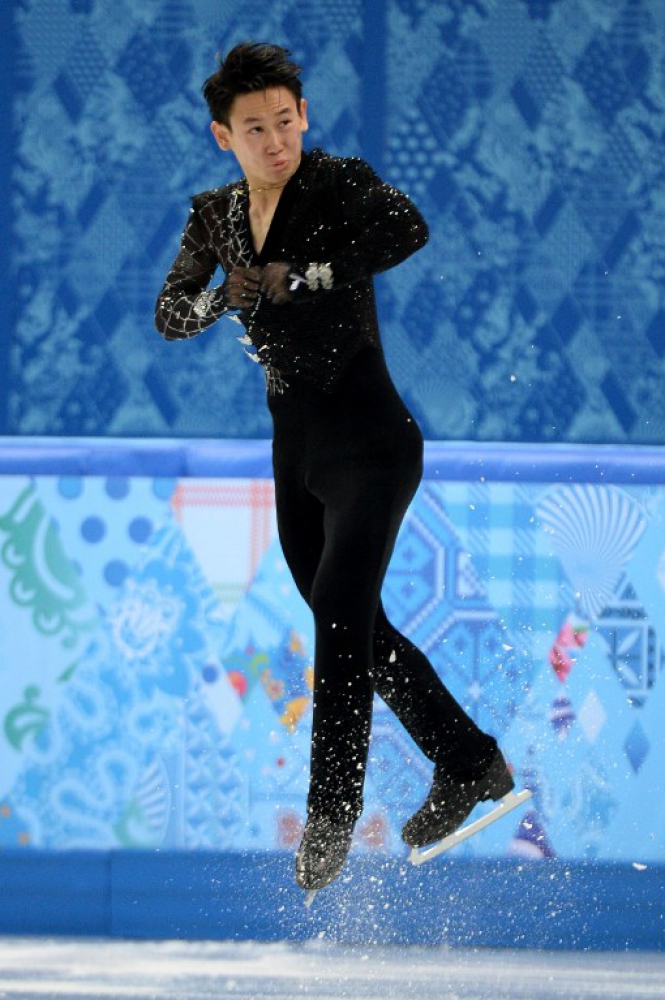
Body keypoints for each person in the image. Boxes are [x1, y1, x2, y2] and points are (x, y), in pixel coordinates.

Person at [155, 42, 515, 893]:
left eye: (286, 121)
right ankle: (467, 760)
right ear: (223, 136)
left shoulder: (339, 182)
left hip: (373, 444)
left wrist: (306, 276)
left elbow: (407, 229)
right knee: (353, 625)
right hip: (297, 457)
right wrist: (223, 296)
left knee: (341, 624)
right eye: (255, 128)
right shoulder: (214, 216)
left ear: (303, 116)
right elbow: (170, 313)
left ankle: (331, 812)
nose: (276, 140)